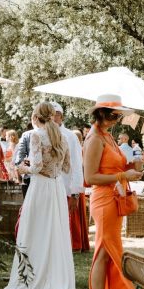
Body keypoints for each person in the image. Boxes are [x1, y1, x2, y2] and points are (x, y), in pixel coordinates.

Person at [83, 95, 143, 289]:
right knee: (103, 253)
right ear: (102, 113)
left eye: (119, 116)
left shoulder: (108, 137)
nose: (117, 120)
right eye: (114, 115)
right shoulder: (95, 139)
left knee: (108, 254)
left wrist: (131, 167)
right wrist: (122, 176)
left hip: (115, 197)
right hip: (104, 199)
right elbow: (90, 178)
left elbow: (114, 167)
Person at [4, 102, 75, 289]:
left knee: (36, 229)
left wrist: (20, 167)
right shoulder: (63, 136)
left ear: (36, 117)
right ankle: (55, 275)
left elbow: (35, 168)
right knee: (54, 230)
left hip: (40, 186)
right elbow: (68, 167)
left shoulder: (36, 135)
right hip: (56, 187)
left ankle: (32, 277)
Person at [51, 102, 89, 253]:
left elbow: (77, 164)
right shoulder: (42, 133)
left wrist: (75, 191)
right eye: (50, 115)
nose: (53, 118)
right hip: (49, 184)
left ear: (62, 117)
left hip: (66, 185)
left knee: (68, 218)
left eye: (57, 114)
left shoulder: (70, 136)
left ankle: (72, 245)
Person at [13, 123, 34, 197]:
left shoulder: (26, 135)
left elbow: (20, 157)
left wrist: (22, 172)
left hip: (28, 175)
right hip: (43, 176)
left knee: (27, 202)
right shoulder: (48, 133)